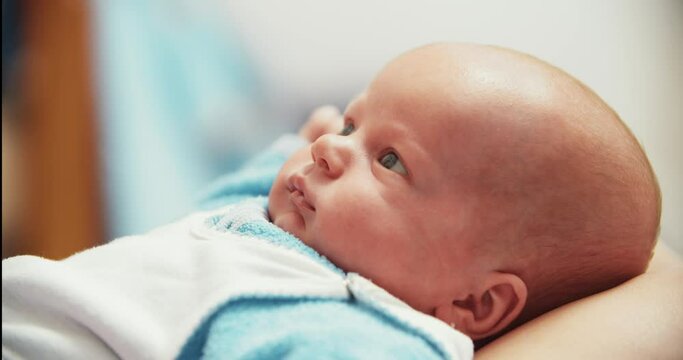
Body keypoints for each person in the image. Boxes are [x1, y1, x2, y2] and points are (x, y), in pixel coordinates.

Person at [2, 42, 679, 359]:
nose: (330, 146)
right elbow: (234, 206)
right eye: (353, 124)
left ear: (475, 304)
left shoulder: (343, 325)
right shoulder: (290, 237)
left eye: (389, 160)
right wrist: (312, 153)